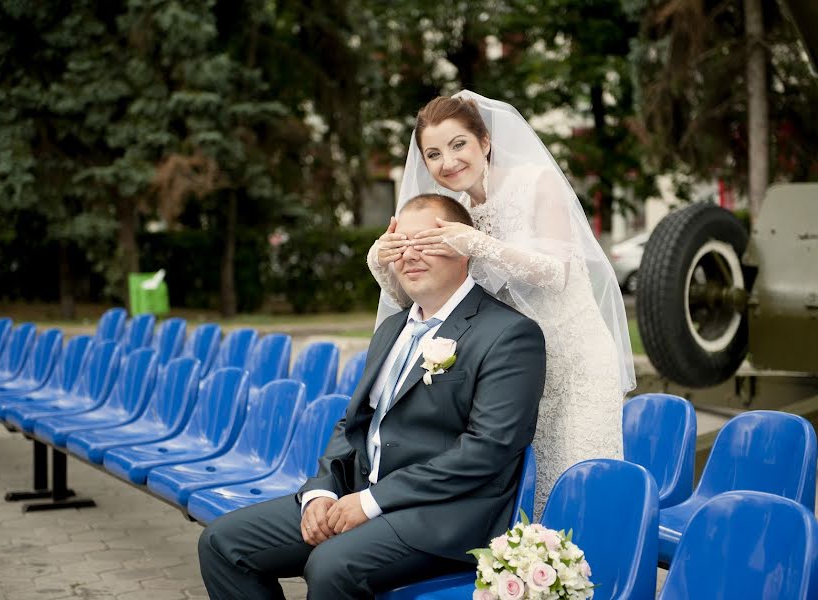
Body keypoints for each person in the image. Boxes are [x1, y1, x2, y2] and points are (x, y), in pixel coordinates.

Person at [197, 194, 546, 600]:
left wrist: (372, 501)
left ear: (464, 247)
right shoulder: (392, 328)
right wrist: (322, 492)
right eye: (400, 244)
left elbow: (489, 449)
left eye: (427, 242)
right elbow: (354, 423)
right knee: (222, 543)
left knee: (329, 566)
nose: (409, 255)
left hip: (443, 514)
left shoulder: (509, 334)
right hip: (358, 493)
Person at [367, 90, 636, 514]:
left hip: (575, 361)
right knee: (530, 481)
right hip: (516, 364)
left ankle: (597, 571)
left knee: (578, 476)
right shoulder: (452, 210)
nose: (448, 162)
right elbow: (424, 297)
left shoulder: (535, 182)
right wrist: (382, 260)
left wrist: (477, 243)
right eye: (433, 154)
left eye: (459, 145)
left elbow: (556, 270)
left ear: (485, 142)